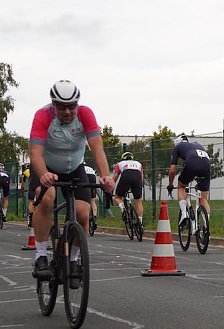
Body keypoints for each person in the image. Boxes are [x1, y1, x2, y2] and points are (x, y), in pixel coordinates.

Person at [28, 79, 114, 280]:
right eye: (61, 107)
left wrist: (105, 176)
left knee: (83, 213)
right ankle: (41, 255)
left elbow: (97, 148)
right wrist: (43, 175)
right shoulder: (42, 116)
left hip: (74, 167)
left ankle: (73, 260)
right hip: (46, 168)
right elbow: (35, 153)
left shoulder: (85, 114)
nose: (67, 111)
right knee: (47, 199)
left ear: (78, 104)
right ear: (53, 104)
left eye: (71, 106)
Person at [167, 134, 212, 227]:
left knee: (181, 186)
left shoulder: (178, 147)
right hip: (207, 164)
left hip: (192, 162)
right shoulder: (197, 145)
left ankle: (184, 214)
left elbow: (172, 170)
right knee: (203, 199)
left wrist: (170, 184)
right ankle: (206, 226)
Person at [111, 152, 145, 227]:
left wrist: (111, 188)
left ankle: (123, 209)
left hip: (126, 176)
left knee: (117, 197)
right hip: (137, 178)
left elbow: (115, 178)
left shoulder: (120, 163)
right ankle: (140, 222)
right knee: (138, 201)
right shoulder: (139, 164)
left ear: (123, 158)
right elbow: (142, 178)